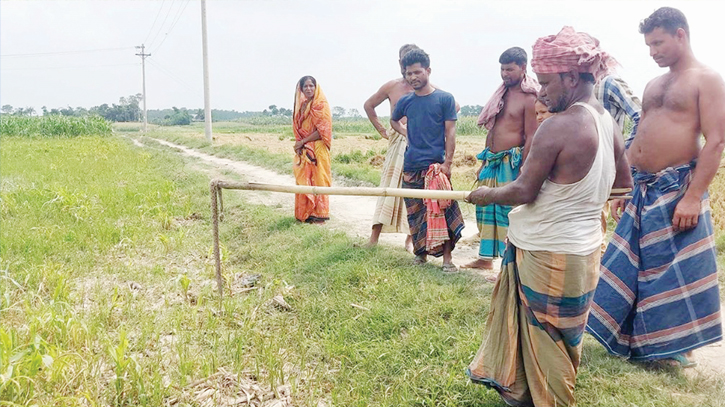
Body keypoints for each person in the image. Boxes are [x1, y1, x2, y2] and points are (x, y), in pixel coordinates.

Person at [466, 26, 632, 407]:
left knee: (546, 341)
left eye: (546, 83)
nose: (540, 92)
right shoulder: (607, 122)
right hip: (584, 252)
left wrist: (483, 193)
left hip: (547, 253)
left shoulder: (557, 126)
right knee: (560, 340)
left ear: (572, 77)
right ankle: (529, 395)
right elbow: (622, 185)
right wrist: (582, 202)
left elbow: (522, 191)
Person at [587, 7, 724, 368]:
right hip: (643, 189)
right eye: (649, 45)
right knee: (633, 266)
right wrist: (626, 185)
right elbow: (639, 132)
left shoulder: (706, 79)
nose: (653, 52)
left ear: (681, 34)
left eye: (658, 43)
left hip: (677, 187)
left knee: (673, 270)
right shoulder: (654, 84)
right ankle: (636, 342)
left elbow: (716, 141)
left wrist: (693, 196)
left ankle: (676, 349)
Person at [463, 47, 539, 271]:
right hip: (492, 160)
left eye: (510, 69)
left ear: (523, 68)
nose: (505, 74)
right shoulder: (500, 94)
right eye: (502, 69)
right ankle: (485, 259)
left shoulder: (529, 97)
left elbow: (531, 135)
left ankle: (510, 264)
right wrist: (484, 162)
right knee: (485, 207)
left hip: (512, 162)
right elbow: (493, 129)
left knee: (509, 212)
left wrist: (525, 166)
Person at [390, 49, 464, 273]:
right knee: (416, 213)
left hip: (436, 167)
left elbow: (450, 133)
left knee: (442, 211)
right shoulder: (406, 102)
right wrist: (407, 134)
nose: (412, 77)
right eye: (408, 73)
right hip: (411, 166)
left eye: (417, 72)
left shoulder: (444, 99)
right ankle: (420, 255)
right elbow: (394, 121)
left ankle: (447, 260)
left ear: (428, 71)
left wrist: (448, 164)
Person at [363, 44, 419, 251]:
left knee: (413, 189)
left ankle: (410, 240)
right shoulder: (392, 86)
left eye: (413, 64)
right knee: (387, 188)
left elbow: (452, 105)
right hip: (397, 141)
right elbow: (368, 105)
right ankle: (373, 238)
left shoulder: (426, 87)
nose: (408, 69)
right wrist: (381, 130)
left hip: (417, 144)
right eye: (404, 62)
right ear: (400, 63)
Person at [292, 75, 332, 223]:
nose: (309, 89)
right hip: (305, 148)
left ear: (316, 87)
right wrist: (301, 144)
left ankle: (319, 214)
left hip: (318, 148)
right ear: (301, 89)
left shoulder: (320, 104)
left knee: (318, 178)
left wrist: (303, 141)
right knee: (305, 179)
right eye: (305, 86)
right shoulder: (302, 105)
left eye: (311, 86)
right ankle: (306, 213)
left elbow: (322, 130)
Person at [595, 74, 642, 143]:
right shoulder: (577, 89)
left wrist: (627, 149)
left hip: (610, 150)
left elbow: (640, 115)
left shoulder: (609, 83)